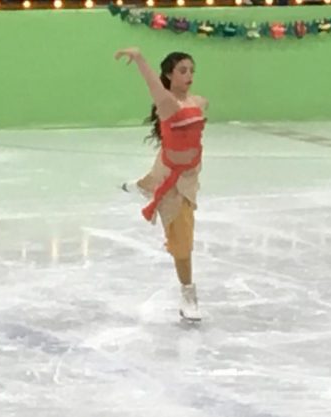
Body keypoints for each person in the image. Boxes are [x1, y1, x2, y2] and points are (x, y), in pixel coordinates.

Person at [115, 47, 207, 321]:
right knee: (182, 243)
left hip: (189, 176)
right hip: (173, 179)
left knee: (161, 176)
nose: (189, 75)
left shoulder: (200, 102)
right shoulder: (167, 104)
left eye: (191, 70)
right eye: (182, 70)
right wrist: (141, 59)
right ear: (169, 75)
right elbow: (151, 84)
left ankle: (144, 186)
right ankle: (188, 294)